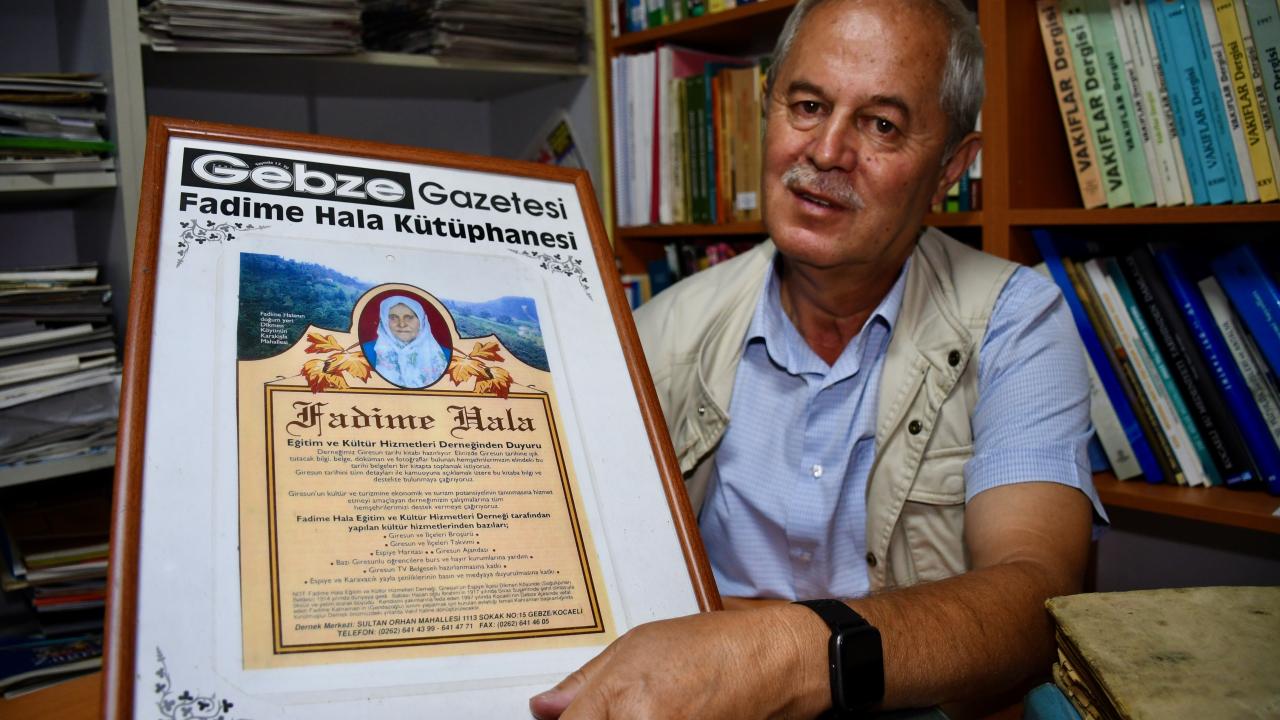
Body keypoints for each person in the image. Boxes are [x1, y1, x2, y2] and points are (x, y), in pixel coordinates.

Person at [530, 0, 1105, 717]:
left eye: (882, 125)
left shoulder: (1016, 321)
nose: (827, 151)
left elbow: (1034, 599)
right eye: (807, 106)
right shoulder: (653, 334)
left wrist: (781, 652)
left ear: (951, 167)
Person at [362, 294, 448, 388]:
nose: (402, 324)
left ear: (422, 321)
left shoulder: (446, 355)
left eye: (409, 317)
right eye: (393, 317)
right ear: (384, 321)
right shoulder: (365, 352)